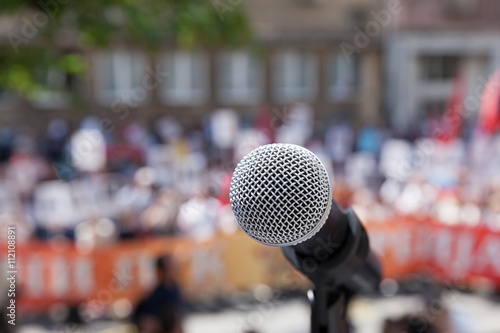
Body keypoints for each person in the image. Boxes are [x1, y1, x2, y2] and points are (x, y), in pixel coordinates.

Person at [133, 255, 184, 333]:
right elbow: (143, 320)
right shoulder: (154, 294)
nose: (173, 270)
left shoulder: (175, 290)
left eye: (174, 267)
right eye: (169, 267)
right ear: (160, 271)